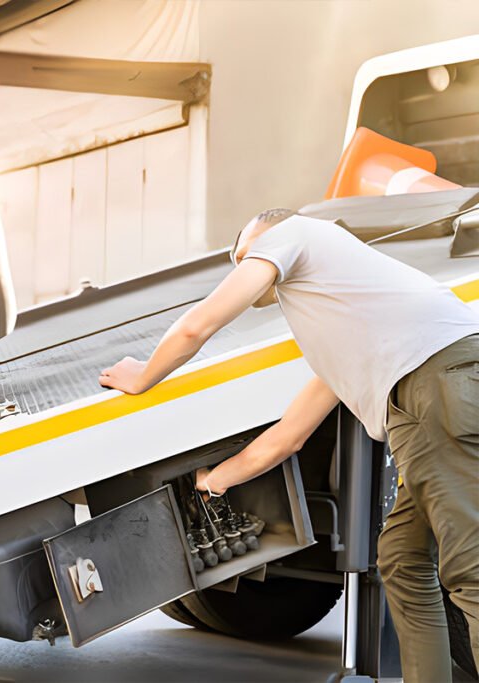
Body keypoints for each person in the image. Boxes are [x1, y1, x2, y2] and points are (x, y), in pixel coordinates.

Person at [99, 208, 479, 682]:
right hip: (426, 409)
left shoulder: (299, 232)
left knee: (469, 568)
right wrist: (213, 482)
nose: (244, 269)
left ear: (269, 232)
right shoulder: (348, 329)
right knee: (402, 561)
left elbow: (201, 324)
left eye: (246, 255)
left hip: (438, 391)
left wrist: (144, 375)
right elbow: (288, 437)